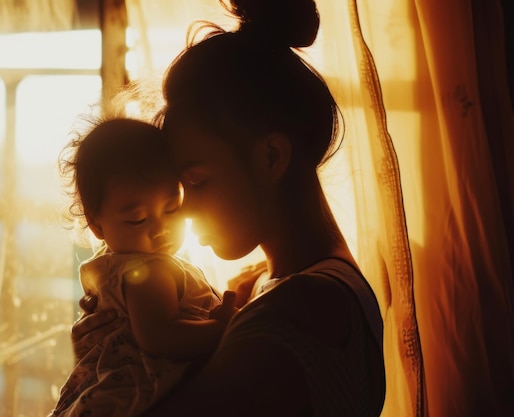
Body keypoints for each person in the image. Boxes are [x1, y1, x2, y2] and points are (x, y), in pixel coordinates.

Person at [70, 0, 386, 415]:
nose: (182, 212)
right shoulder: (293, 283)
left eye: (197, 182)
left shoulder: (303, 310)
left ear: (271, 157)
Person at [49, 118, 238, 417]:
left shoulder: (117, 266)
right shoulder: (147, 270)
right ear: (97, 223)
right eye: (138, 220)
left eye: (172, 209)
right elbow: (160, 337)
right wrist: (223, 328)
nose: (160, 229)